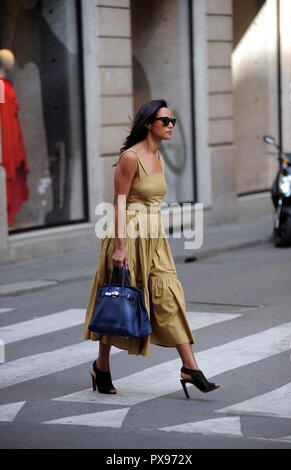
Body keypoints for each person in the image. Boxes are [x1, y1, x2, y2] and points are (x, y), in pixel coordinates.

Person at [83, 99, 220, 399]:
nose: (170, 125)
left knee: (168, 296)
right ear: (149, 124)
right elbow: (118, 203)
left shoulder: (157, 156)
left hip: (154, 238)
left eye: (173, 121)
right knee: (119, 300)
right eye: (165, 121)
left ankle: (190, 368)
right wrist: (120, 247)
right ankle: (102, 367)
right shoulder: (130, 158)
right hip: (128, 237)